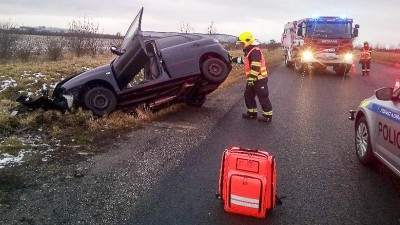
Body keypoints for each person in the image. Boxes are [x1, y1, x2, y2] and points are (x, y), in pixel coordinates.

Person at [231, 32, 273, 122]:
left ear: (247, 41)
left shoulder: (255, 51)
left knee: (263, 96)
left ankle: (268, 116)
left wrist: (251, 78)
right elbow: (245, 61)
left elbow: (256, 67)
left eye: (242, 43)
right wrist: (234, 59)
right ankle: (252, 113)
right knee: (248, 95)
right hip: (253, 79)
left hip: (259, 79)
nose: (241, 45)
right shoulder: (250, 51)